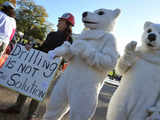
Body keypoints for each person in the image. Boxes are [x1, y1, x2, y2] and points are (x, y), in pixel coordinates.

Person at [0, 12, 75, 120]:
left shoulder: (69, 40)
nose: (58, 22)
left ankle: (31, 115)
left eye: (61, 21)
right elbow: (42, 47)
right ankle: (17, 107)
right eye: (59, 20)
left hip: (51, 69)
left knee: (39, 90)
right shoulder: (51, 34)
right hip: (38, 64)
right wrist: (31, 47)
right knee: (26, 83)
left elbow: (66, 56)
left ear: (67, 24)